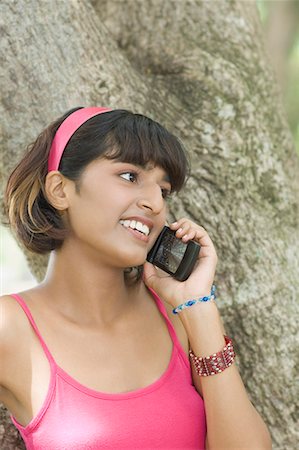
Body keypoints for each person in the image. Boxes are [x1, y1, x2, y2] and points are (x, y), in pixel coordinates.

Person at [0, 107, 271, 450]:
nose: (156, 203)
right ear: (60, 189)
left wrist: (198, 307)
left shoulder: (178, 317)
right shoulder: (10, 328)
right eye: (130, 176)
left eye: (164, 190)